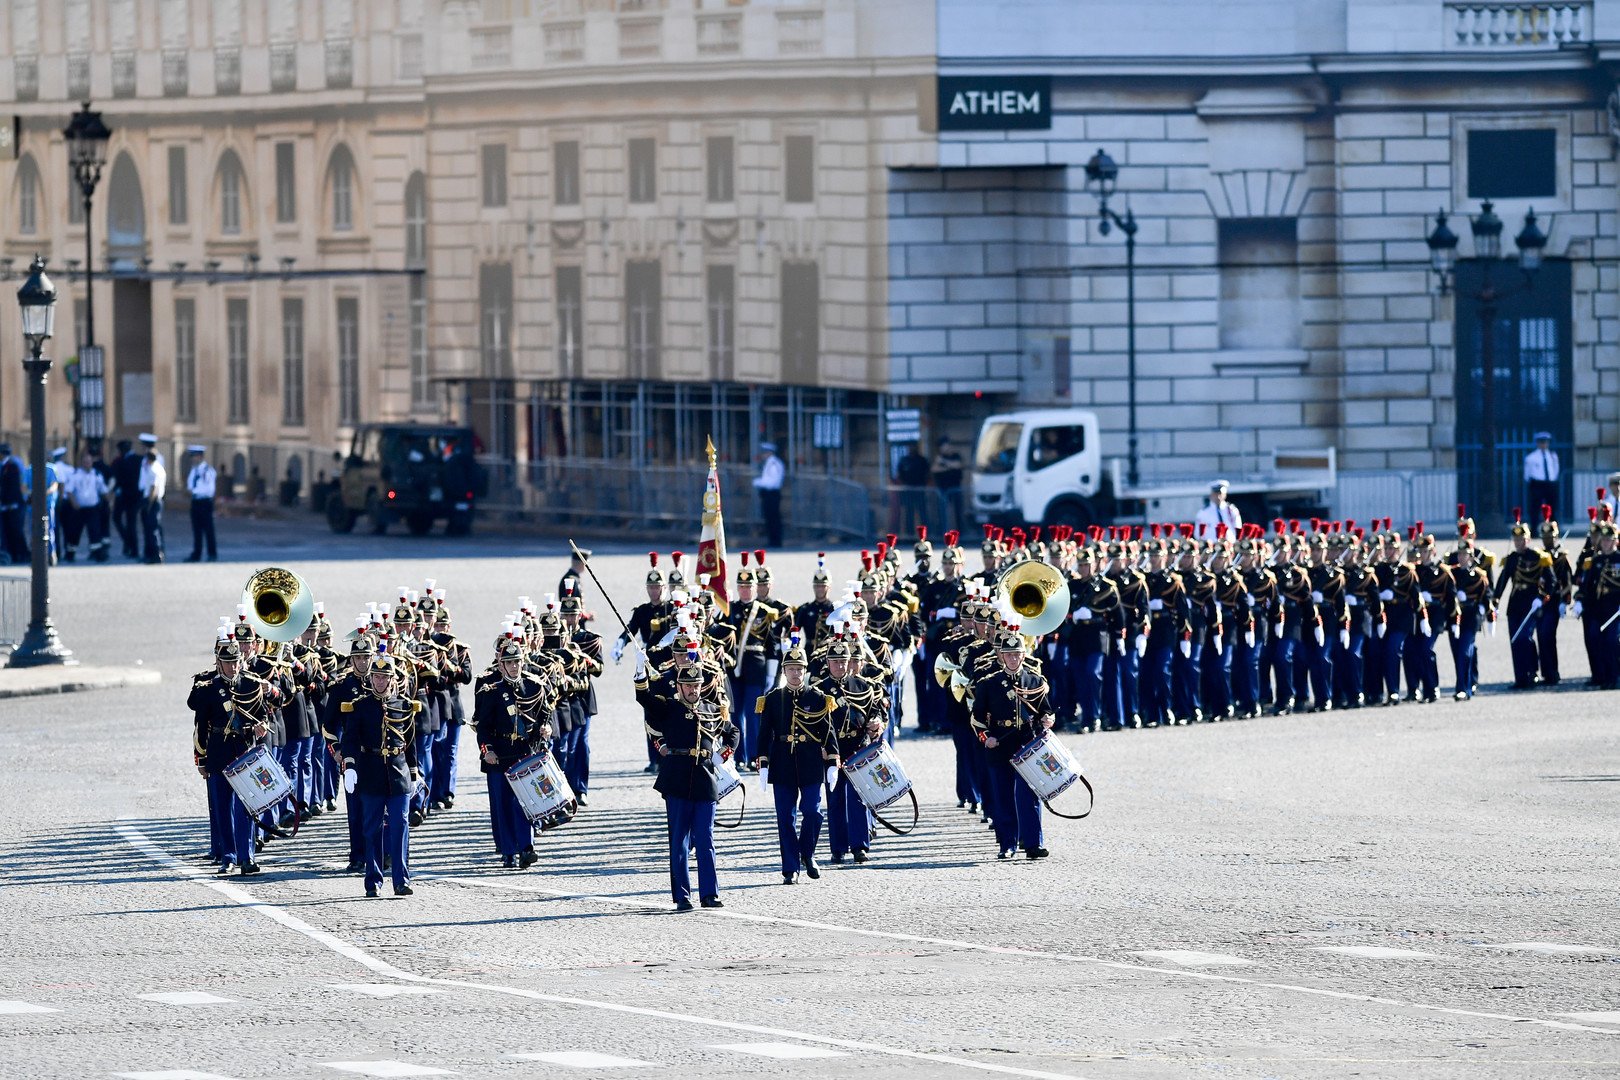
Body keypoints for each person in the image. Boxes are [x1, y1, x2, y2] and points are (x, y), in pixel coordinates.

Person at [636, 658, 735, 911]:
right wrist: (639, 676)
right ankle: (682, 896)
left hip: (705, 779)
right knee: (679, 840)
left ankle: (709, 894)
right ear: (678, 686)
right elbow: (644, 699)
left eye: (697, 685)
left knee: (706, 838)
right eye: (688, 686)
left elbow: (733, 732)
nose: (693, 690)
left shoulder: (712, 709)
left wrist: (723, 753)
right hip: (677, 777)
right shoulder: (668, 707)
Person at [755, 639, 838, 884]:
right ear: (784, 671)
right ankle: (790, 867)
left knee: (813, 812)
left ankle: (808, 853)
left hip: (811, 761)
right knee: (785, 817)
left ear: (805, 671)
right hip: (782, 762)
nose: (795, 673)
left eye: (799, 669)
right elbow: (764, 733)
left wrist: (833, 761)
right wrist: (763, 763)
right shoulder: (772, 699)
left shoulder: (818, 697)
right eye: (791, 669)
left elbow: (828, 731)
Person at [339, 653, 421, 897]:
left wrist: (414, 773)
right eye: (376, 676)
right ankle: (373, 880)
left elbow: (410, 741)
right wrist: (351, 766)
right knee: (371, 829)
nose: (380, 681)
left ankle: (401, 880)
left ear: (392, 679)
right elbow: (350, 740)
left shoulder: (403, 705)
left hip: (398, 773)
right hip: (371, 771)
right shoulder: (361, 706)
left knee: (400, 826)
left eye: (384, 677)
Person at [474, 635, 553, 870]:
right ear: (501, 665)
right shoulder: (491, 691)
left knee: (526, 801)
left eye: (518, 661)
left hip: (524, 751)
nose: (515, 666)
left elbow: (545, 713)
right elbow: (483, 726)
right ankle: (509, 851)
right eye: (510, 662)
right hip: (500, 754)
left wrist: (546, 728)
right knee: (503, 804)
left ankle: (527, 848)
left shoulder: (534, 685)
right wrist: (486, 750)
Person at [62, 448, 110, 562]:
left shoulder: (97, 474)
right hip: (79, 509)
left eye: (89, 462)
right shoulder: (75, 474)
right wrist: (74, 503)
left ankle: (97, 554)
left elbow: (103, 490)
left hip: (92, 508)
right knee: (74, 532)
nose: (88, 464)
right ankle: (70, 553)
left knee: (95, 531)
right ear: (82, 463)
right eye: (85, 462)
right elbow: (69, 491)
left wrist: (109, 502)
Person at [110, 439, 143, 559]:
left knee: (128, 522)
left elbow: (115, 478)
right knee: (127, 522)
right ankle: (130, 545)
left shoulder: (122, 461)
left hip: (128, 496)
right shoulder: (138, 459)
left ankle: (131, 547)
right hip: (130, 496)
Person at [184, 446, 218, 562]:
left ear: (200, 456)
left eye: (194, 456)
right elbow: (190, 485)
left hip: (205, 501)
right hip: (195, 501)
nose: (193, 459)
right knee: (196, 529)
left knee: (208, 529)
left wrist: (193, 491)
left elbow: (209, 489)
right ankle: (196, 553)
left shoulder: (208, 471)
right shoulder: (194, 470)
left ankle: (212, 553)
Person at [137, 434, 166, 564]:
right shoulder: (153, 465)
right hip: (148, 497)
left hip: (152, 500)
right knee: (149, 528)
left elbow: (154, 488)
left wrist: (148, 503)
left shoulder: (155, 467)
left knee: (153, 528)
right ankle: (150, 553)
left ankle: (156, 554)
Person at [753, 441, 785, 548]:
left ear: (770, 453)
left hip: (772, 493)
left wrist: (758, 482)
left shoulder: (774, 464)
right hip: (767, 494)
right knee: (769, 517)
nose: (763, 455)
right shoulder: (769, 463)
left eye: (765, 452)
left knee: (773, 518)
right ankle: (772, 540)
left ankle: (775, 541)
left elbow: (773, 482)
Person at [894, 444, 930, 535]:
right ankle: (909, 534)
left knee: (923, 513)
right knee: (909, 513)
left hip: (920, 490)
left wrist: (923, 485)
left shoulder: (922, 460)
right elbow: (899, 474)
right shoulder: (904, 460)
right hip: (908, 491)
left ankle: (925, 534)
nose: (911, 448)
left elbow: (927, 474)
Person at [0, 443, 27, 565]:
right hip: (6, 506)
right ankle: (13, 553)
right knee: (8, 531)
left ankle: (22, 554)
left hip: (13, 504)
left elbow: (12, 488)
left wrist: (8, 501)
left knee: (16, 530)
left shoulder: (11, 466)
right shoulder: (4, 466)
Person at [931, 436, 965, 532]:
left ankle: (960, 532)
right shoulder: (938, 457)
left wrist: (944, 463)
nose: (945, 448)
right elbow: (934, 469)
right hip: (943, 489)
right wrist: (949, 467)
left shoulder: (955, 456)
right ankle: (944, 532)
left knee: (958, 511)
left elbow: (958, 465)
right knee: (943, 512)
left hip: (955, 487)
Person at [1523, 433, 1559, 521]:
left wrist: (1553, 479)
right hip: (1537, 484)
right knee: (1535, 508)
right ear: (1538, 443)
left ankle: (1552, 529)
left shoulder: (1553, 456)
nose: (1543, 444)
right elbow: (1527, 473)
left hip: (1550, 483)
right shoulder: (1531, 457)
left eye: (1545, 442)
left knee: (1552, 508)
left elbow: (1556, 469)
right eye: (1541, 442)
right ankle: (1534, 530)